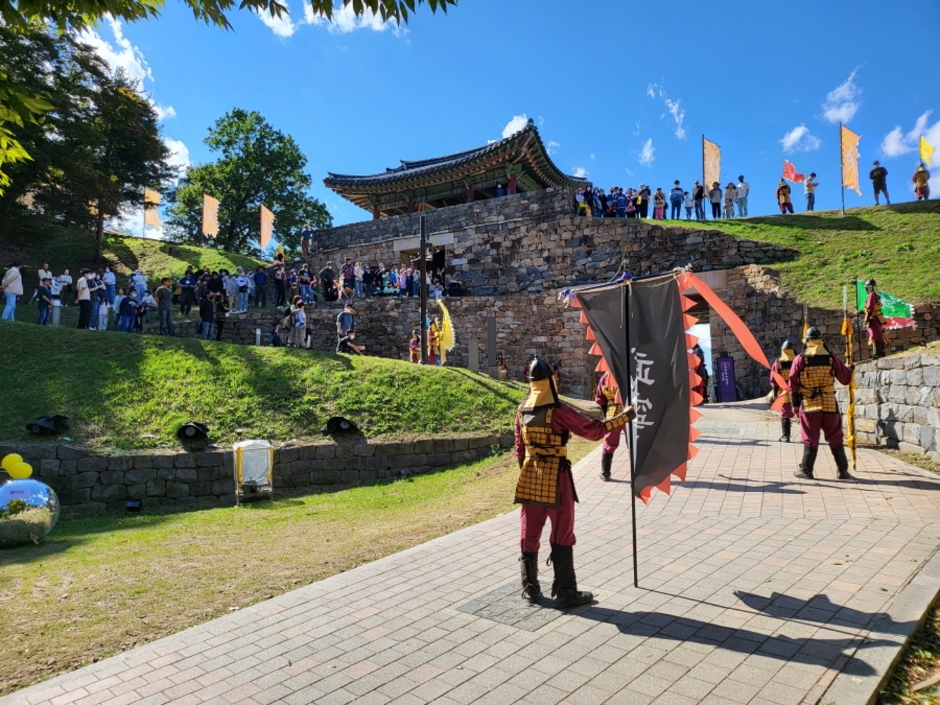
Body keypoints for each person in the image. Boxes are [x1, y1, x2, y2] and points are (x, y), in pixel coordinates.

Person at [515, 357, 635, 608]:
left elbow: (519, 448)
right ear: (550, 380)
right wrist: (623, 418)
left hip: (528, 476)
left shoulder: (521, 410)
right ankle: (566, 592)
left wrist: (529, 469)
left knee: (528, 532)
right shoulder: (558, 410)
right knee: (563, 532)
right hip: (556, 477)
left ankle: (530, 588)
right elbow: (593, 431)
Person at [789, 327, 853, 480]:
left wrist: (795, 405)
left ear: (807, 341)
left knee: (810, 436)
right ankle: (843, 470)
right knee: (835, 435)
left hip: (809, 403)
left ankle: (806, 470)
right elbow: (845, 379)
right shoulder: (832, 359)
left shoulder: (800, 359)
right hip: (829, 401)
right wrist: (849, 369)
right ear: (821, 340)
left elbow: (793, 384)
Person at [594, 372, 625, 481]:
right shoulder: (629, 373)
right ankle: (638, 473)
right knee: (634, 443)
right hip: (629, 411)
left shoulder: (605, 377)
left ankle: (605, 472)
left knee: (609, 443)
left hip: (612, 413)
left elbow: (599, 398)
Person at [770, 339, 797, 442]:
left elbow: (774, 379)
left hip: (784, 391)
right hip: (798, 391)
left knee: (785, 413)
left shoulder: (778, 363)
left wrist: (775, 393)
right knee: (803, 413)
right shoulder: (798, 361)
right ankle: (808, 437)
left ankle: (786, 436)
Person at [862, 278, 887, 358]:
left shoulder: (871, 295)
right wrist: (862, 312)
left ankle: (877, 353)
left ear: (870, 287)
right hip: (878, 317)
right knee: (877, 334)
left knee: (875, 335)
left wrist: (867, 319)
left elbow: (870, 308)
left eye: (867, 286)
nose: (866, 288)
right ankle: (880, 352)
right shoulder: (876, 295)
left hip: (873, 318)